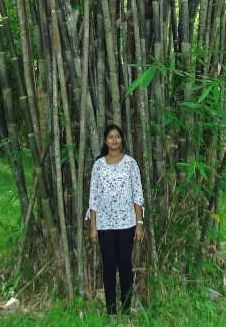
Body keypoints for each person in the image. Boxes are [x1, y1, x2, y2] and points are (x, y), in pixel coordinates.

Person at [86, 124, 144, 317]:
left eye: (117, 136)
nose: (114, 140)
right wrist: (93, 226)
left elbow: (137, 194)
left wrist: (139, 224)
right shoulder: (99, 165)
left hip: (126, 223)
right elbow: (93, 197)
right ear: (105, 141)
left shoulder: (130, 163)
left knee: (125, 265)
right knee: (109, 265)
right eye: (110, 137)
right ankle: (111, 311)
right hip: (105, 224)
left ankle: (126, 310)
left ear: (122, 140)